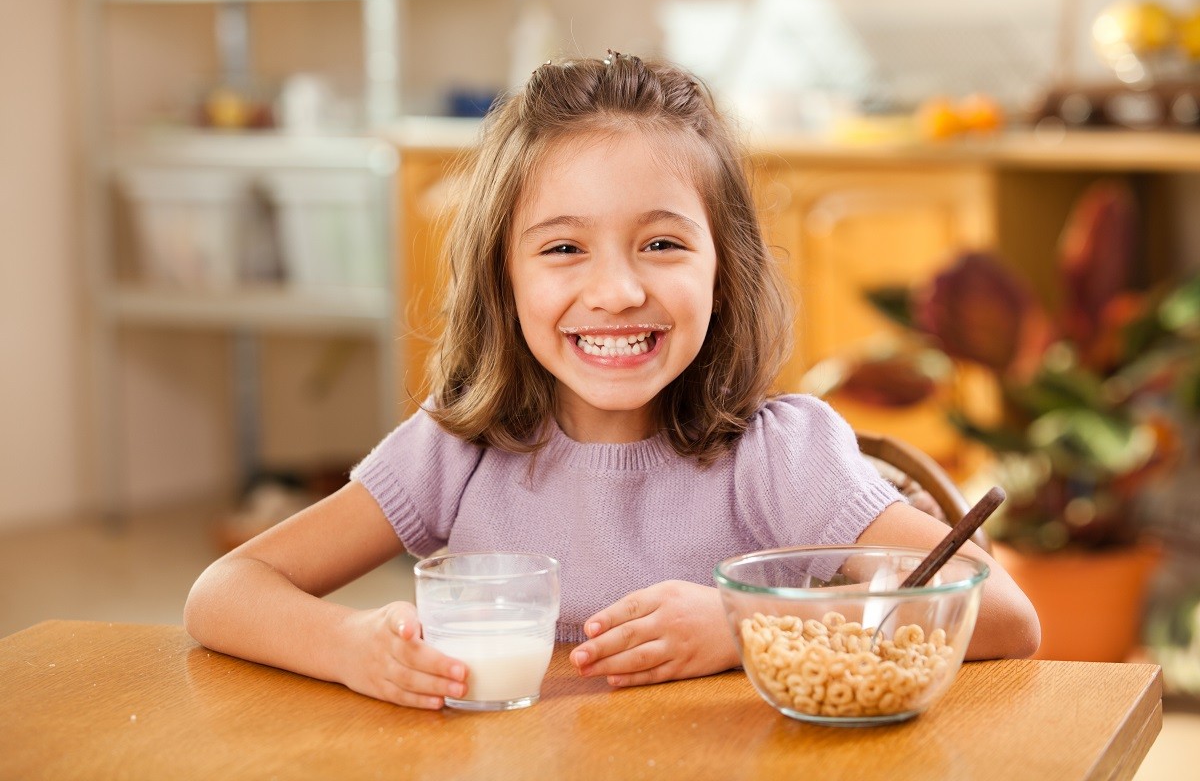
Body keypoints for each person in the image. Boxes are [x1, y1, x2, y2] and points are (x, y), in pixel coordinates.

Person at [185, 51, 1039, 710]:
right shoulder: (457, 449)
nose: (618, 291)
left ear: (722, 270)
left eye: (662, 244)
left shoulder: (779, 455)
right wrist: (349, 647)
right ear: (504, 276)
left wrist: (752, 625)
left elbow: (1002, 612)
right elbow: (225, 593)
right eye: (562, 248)